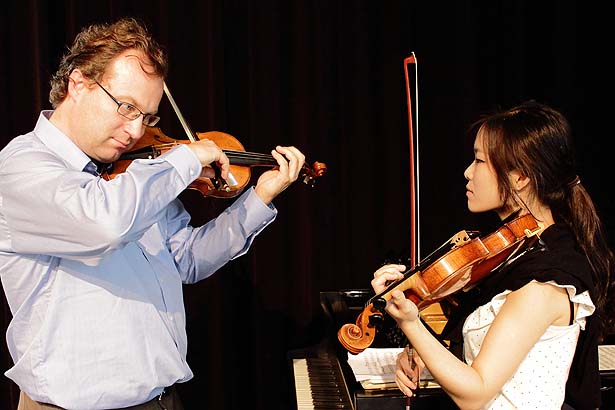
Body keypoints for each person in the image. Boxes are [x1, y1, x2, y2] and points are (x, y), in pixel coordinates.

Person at [0, 17, 305, 410]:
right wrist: (183, 160)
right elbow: (102, 224)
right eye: (126, 107)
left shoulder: (133, 176)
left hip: (161, 400)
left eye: (147, 116)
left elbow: (187, 259)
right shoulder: (22, 167)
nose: (135, 129)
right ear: (78, 84)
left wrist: (259, 197)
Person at [371, 101, 615, 410]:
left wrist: (410, 323)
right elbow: (498, 361)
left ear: (521, 177)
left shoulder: (546, 281)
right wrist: (428, 357)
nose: (467, 172)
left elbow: (476, 393)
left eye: (479, 160)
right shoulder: (517, 255)